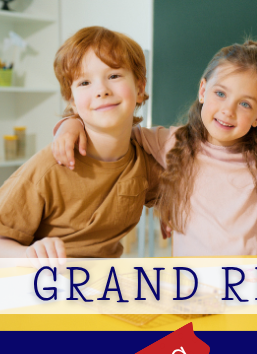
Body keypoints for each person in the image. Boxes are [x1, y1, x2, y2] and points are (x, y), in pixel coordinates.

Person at [52, 39, 257, 257]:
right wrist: (72, 122)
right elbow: (114, 128)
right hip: (193, 289)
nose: (228, 110)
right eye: (220, 94)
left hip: (254, 292)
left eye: (245, 104)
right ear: (202, 90)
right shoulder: (171, 141)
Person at [0, 26, 162, 261]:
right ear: (72, 101)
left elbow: (180, 198)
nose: (101, 91)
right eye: (84, 83)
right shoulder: (48, 169)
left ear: (140, 88)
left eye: (114, 76)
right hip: (46, 287)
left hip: (102, 287)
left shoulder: (144, 162)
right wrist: (28, 254)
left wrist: (170, 211)